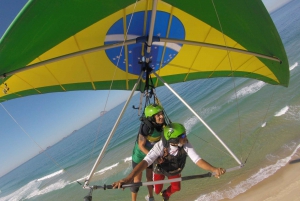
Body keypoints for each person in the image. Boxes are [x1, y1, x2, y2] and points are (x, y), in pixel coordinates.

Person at [112, 123, 226, 201]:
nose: (185, 137)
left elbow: (197, 159)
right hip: (160, 170)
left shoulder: (185, 143)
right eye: (182, 135)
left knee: (176, 188)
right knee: (156, 191)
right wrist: (127, 178)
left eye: (185, 133)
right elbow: (145, 162)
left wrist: (214, 169)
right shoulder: (160, 146)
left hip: (174, 169)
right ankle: (153, 195)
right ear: (173, 140)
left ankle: (165, 195)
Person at [131, 104, 165, 201]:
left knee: (149, 178)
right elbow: (141, 145)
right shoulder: (146, 127)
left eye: (161, 113)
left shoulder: (162, 124)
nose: (161, 116)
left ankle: (150, 197)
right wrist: (154, 157)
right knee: (137, 181)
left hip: (150, 154)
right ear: (151, 117)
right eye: (158, 115)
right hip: (139, 155)